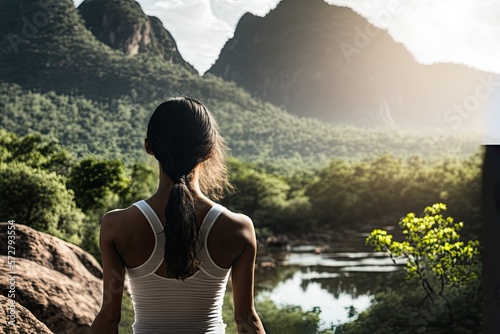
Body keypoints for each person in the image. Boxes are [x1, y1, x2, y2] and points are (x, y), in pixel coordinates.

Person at [90, 97, 266, 333]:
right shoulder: (239, 228)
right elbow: (246, 320)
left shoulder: (116, 225)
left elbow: (109, 320)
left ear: (148, 146)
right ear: (210, 151)